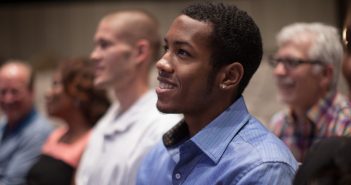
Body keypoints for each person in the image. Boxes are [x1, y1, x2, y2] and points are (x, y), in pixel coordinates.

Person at [137, 2, 297, 185]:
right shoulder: (158, 156)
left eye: (182, 52)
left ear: (229, 76)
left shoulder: (262, 168)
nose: (162, 63)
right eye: (167, 49)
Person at [75, 9, 181, 185]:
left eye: (105, 44)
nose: (94, 56)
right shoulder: (108, 119)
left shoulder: (162, 128)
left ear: (139, 52)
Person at [268, 22, 351, 162]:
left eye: (292, 62)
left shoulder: (345, 126)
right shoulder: (279, 124)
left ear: (325, 74)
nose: (278, 71)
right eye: (277, 61)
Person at [26, 58, 110, 185]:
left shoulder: (93, 142)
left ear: (78, 93)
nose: (48, 93)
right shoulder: (56, 134)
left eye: (55, 84)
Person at [0, 60, 53, 185]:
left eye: (15, 91)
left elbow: (12, 182)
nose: (8, 99)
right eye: (2, 92)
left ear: (31, 92)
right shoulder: (3, 125)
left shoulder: (38, 133)